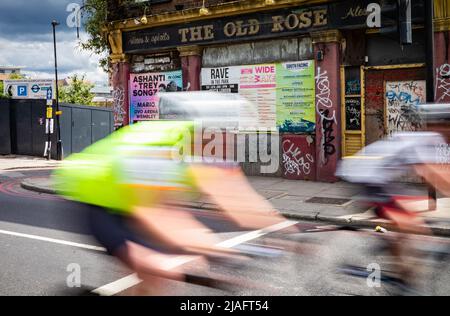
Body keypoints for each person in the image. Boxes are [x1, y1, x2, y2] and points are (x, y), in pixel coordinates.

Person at [53, 97, 292, 295]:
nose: (232, 139)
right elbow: (156, 214)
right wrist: (208, 249)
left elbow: (237, 198)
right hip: (98, 199)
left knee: (152, 275)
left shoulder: (213, 150)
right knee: (155, 265)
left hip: (131, 197)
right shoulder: (159, 149)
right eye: (225, 132)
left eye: (233, 133)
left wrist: (285, 231)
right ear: (203, 131)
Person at [336, 103, 450, 292]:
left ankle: (399, 267)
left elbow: (438, 173)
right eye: (446, 125)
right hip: (365, 178)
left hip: (377, 178)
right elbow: (435, 175)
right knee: (411, 224)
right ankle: (403, 278)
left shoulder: (428, 139)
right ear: (439, 125)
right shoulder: (429, 139)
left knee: (407, 223)